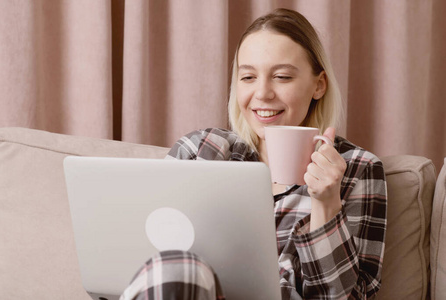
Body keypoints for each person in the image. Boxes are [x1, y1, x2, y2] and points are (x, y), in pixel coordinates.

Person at [121, 8, 387, 300]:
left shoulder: (358, 169)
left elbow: (347, 297)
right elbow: (145, 265)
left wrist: (326, 205)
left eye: (282, 77)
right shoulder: (200, 150)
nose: (262, 93)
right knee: (178, 270)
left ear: (318, 85)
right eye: (248, 77)